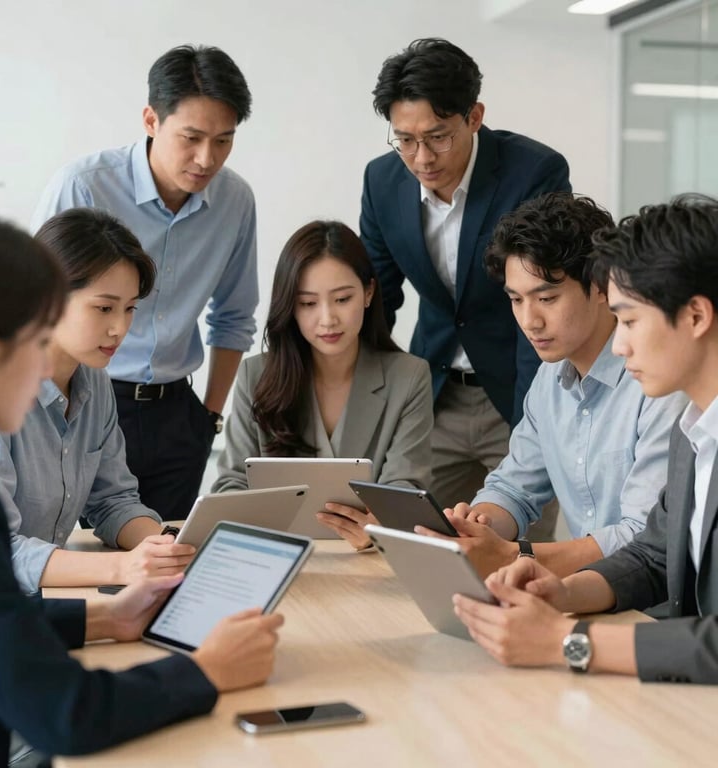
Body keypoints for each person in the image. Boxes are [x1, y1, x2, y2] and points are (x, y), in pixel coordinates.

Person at [0, 212, 283, 767]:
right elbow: (64, 714)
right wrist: (206, 670)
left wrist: (109, 618)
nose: (43, 368)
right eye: (37, 338)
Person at [453, 195, 718, 683]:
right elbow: (654, 555)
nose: (619, 344)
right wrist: (561, 591)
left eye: (632, 320)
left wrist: (566, 640)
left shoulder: (672, 405)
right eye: (517, 299)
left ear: (697, 317)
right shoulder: (694, 432)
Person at [32, 44, 259, 520]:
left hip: (179, 416)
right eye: (191, 137)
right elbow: (38, 303)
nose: (206, 158)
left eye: (224, 140)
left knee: (159, 561)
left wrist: (209, 418)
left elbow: (234, 317)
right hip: (88, 399)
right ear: (151, 120)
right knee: (63, 555)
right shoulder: (85, 186)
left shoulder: (236, 200)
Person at [360, 38, 572, 541]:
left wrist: (530, 425)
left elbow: (539, 302)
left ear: (474, 116)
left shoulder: (532, 173)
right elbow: (378, 299)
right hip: (434, 399)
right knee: (412, 544)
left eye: (437, 137)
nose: (421, 157)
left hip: (516, 396)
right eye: (404, 139)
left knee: (516, 559)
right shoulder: (381, 181)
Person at [418, 193, 686, 578]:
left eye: (546, 298)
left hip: (650, 603)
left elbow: (644, 537)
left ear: (600, 288)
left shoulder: (659, 383)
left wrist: (515, 555)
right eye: (516, 300)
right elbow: (514, 487)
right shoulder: (549, 378)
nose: (530, 320)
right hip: (586, 592)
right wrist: (477, 527)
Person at [0, 209, 196, 594]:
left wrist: (162, 546)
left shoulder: (94, 380)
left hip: (39, 603)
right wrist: (121, 567)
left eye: (129, 309)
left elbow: (113, 500)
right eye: (104, 308)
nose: (120, 328)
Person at [213, 220, 433, 551]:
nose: (328, 319)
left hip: (371, 558)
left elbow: (405, 487)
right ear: (290, 306)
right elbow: (230, 484)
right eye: (308, 303)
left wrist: (379, 530)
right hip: (274, 553)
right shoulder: (254, 375)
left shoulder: (410, 376)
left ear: (369, 292)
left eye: (342, 299)